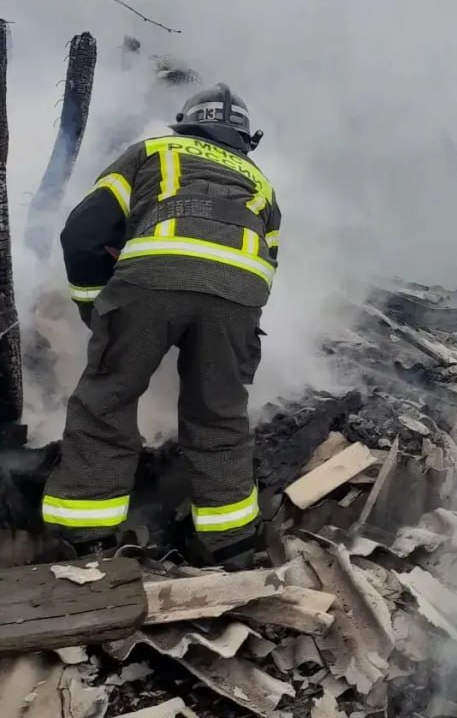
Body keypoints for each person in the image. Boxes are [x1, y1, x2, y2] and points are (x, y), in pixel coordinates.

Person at [41, 84, 281, 568]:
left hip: (151, 280)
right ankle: (231, 544)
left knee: (106, 400)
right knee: (220, 415)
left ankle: (89, 543)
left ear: (187, 122)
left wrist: (97, 309)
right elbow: (267, 258)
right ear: (243, 138)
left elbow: (84, 235)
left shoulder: (151, 150)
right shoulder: (261, 182)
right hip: (239, 297)